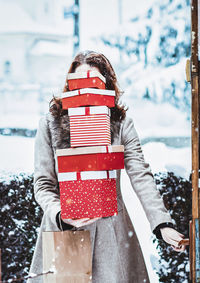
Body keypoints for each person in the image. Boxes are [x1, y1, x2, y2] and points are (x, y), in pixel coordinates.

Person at [28, 50, 185, 283]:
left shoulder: (121, 124)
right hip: (66, 232)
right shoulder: (50, 124)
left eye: (94, 80)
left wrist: (162, 224)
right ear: (70, 84)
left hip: (111, 233)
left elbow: (141, 175)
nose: (86, 88)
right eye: (80, 80)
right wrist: (61, 214)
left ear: (106, 84)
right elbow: (43, 184)